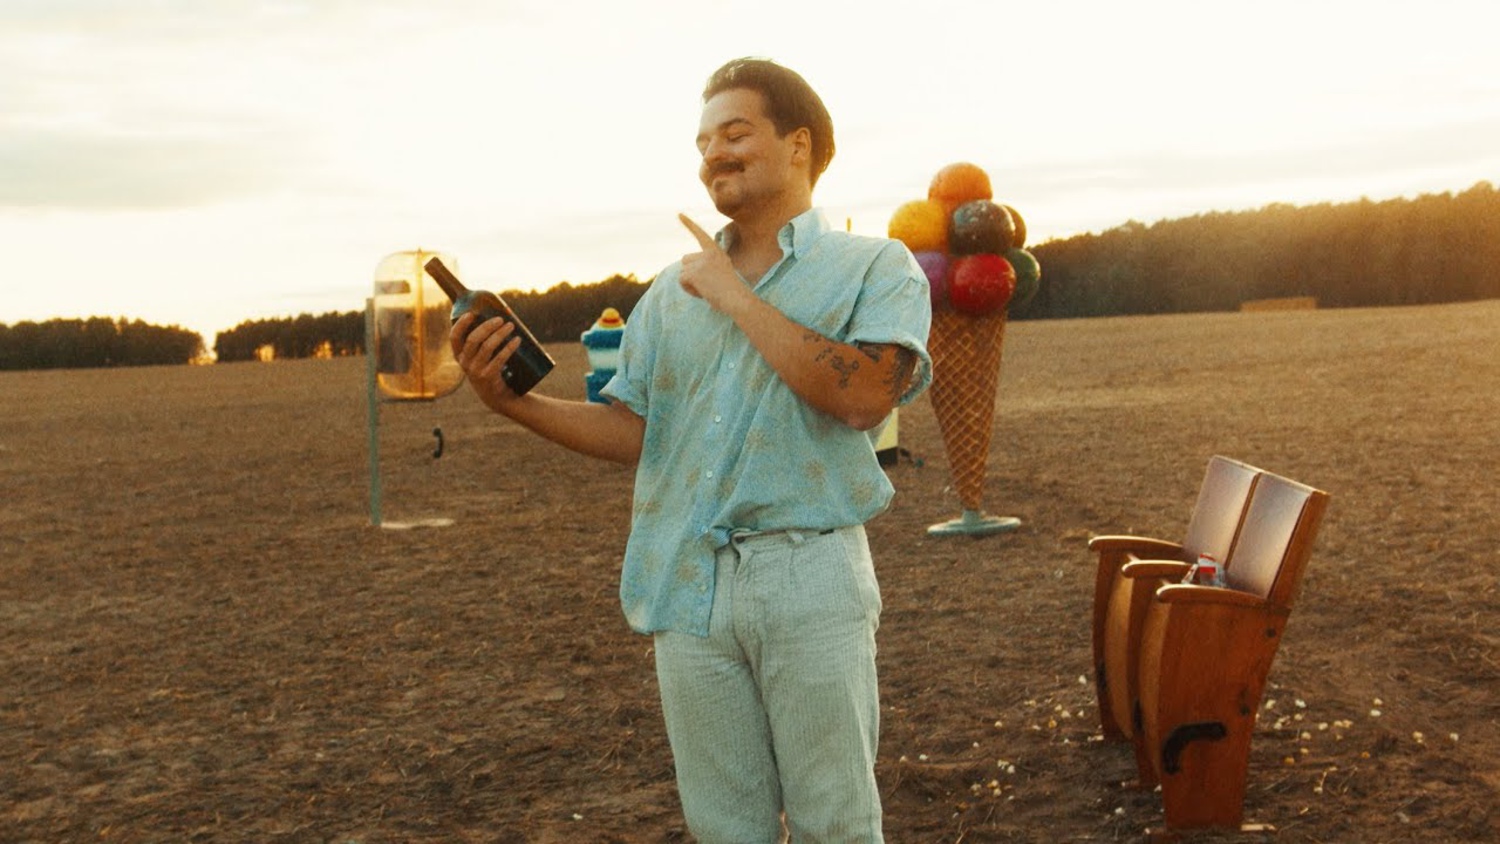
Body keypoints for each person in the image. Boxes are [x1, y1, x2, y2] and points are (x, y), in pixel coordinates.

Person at [451, 57, 932, 843]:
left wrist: (736, 296)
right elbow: (636, 431)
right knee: (725, 831)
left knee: (836, 825)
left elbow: (864, 398)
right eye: (703, 142)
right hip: (686, 582)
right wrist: (513, 404)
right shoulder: (667, 296)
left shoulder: (874, 267)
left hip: (809, 574)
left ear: (800, 145)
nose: (713, 155)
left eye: (735, 133)